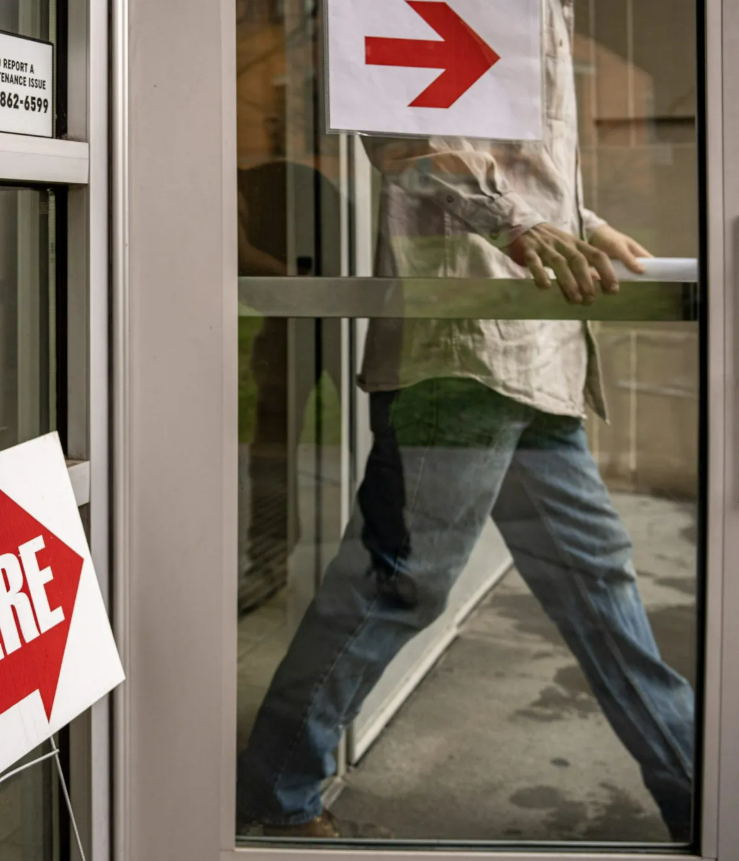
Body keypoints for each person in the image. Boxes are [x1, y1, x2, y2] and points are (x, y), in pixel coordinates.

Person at [236, 0, 695, 841]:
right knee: (393, 583)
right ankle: (271, 791)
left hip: (528, 349)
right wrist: (521, 226)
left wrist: (579, 224)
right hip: (466, 347)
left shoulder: (536, 12)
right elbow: (404, 141)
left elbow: (513, 173)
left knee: (596, 582)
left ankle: (698, 787)